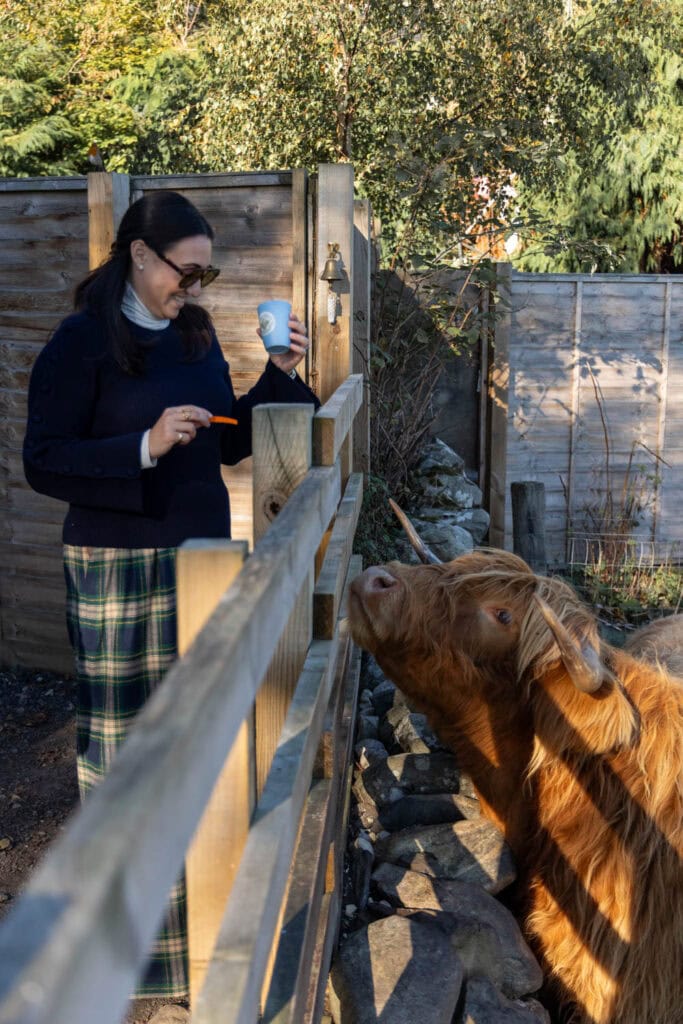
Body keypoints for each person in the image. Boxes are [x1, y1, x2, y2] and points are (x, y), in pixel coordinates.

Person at [22, 190, 319, 1016]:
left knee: (202, 752)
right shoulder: (80, 342)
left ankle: (199, 948)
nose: (196, 287)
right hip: (115, 568)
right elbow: (42, 463)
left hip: (200, 562)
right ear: (140, 255)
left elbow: (228, 439)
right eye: (187, 271)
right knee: (123, 759)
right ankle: (121, 959)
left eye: (206, 272)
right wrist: (143, 447)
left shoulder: (191, 335)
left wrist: (279, 378)